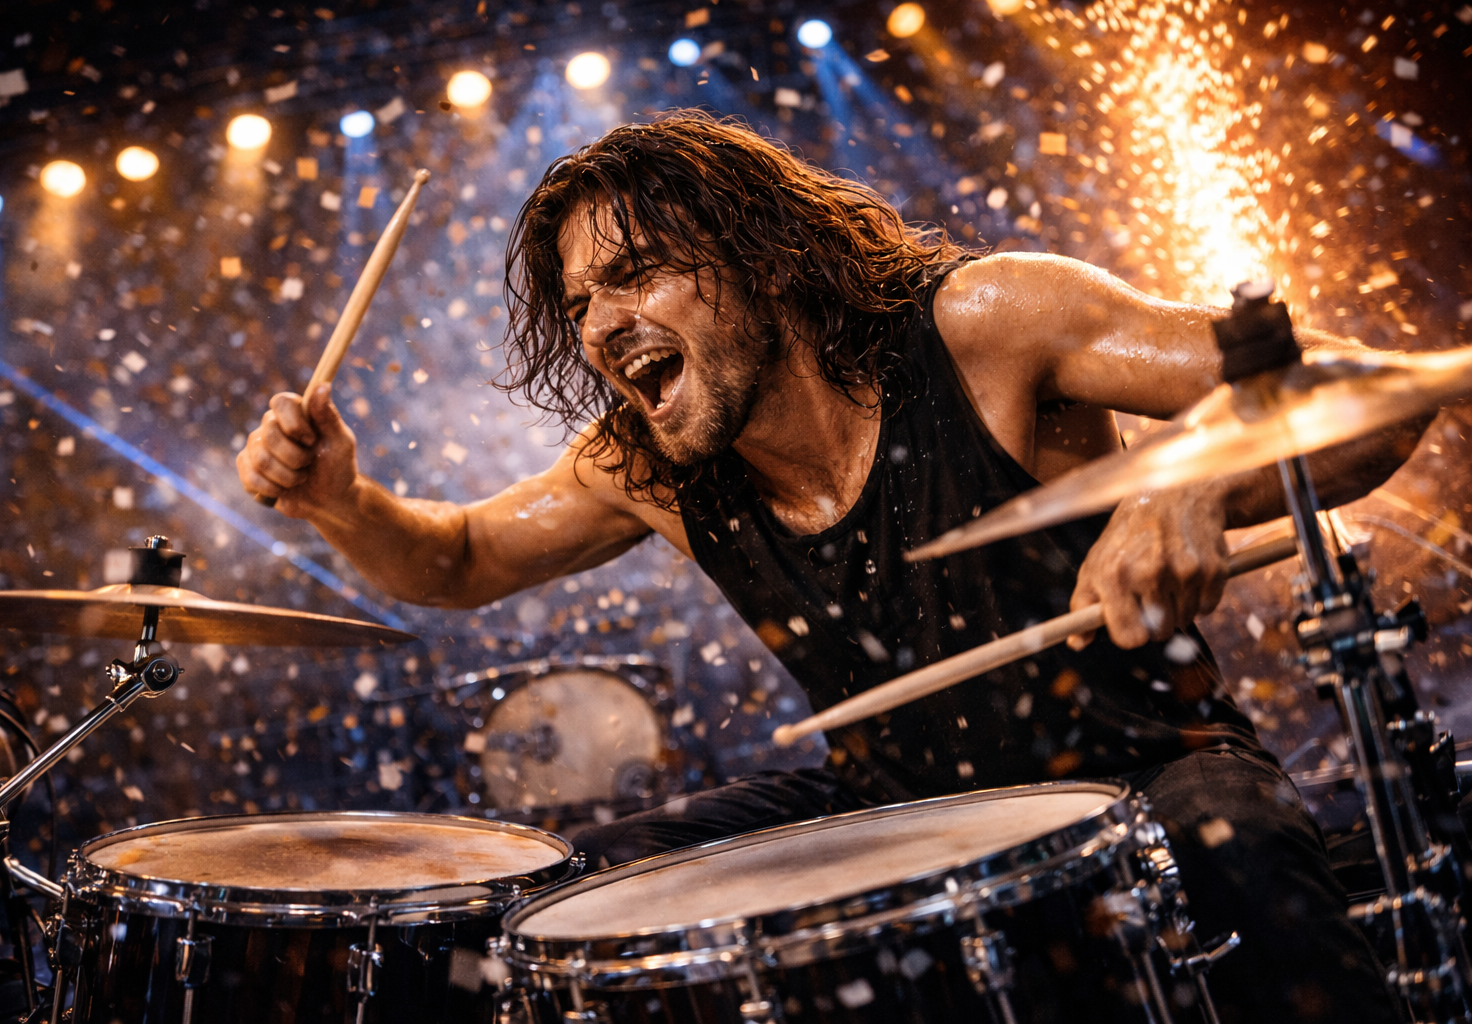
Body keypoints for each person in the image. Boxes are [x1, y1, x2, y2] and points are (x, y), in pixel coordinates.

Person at [237, 113, 1421, 1021]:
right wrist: (341, 498)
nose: (599, 325)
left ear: (760, 257)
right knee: (561, 901)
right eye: (582, 300)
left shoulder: (989, 322)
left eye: (637, 272)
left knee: (1234, 850)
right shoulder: (646, 463)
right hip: (894, 807)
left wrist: (1191, 484)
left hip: (1145, 772)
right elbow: (456, 558)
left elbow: (1365, 390)